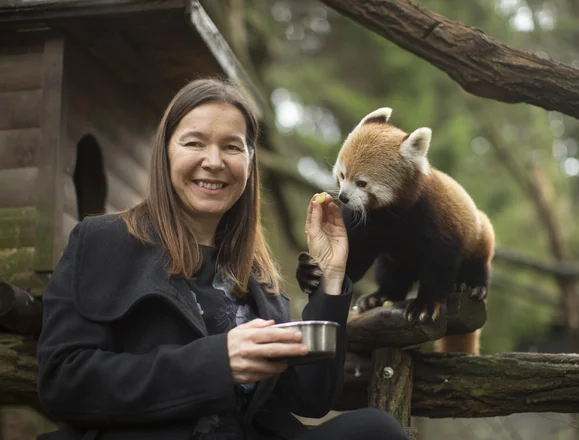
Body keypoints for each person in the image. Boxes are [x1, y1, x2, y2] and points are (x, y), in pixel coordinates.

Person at [36, 78, 409, 440]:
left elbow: (310, 399)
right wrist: (218, 362)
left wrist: (330, 279)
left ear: (249, 162)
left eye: (232, 147)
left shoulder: (256, 275)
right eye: (194, 142)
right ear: (165, 153)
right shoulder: (103, 241)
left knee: (377, 430)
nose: (213, 161)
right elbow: (63, 381)